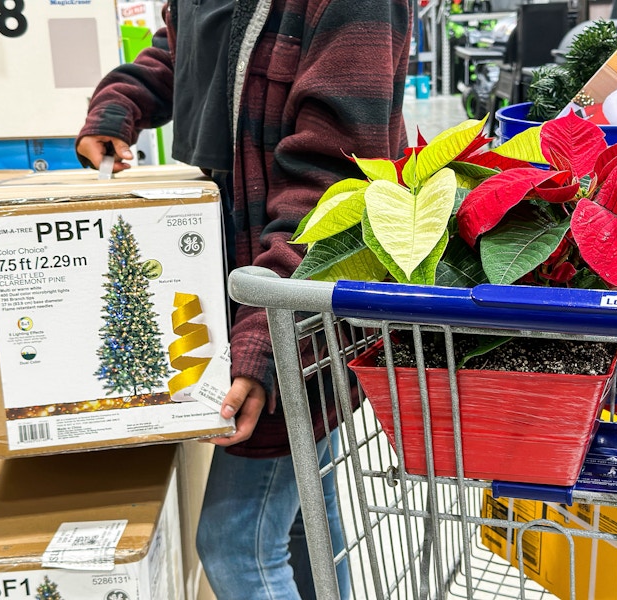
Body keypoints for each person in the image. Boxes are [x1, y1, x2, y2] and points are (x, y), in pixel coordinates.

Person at [75, 1, 413, 598]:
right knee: (309, 512)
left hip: (293, 291)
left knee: (235, 544)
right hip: (240, 271)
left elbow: (330, 181)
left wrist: (262, 337)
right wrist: (120, 101)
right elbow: (188, 48)